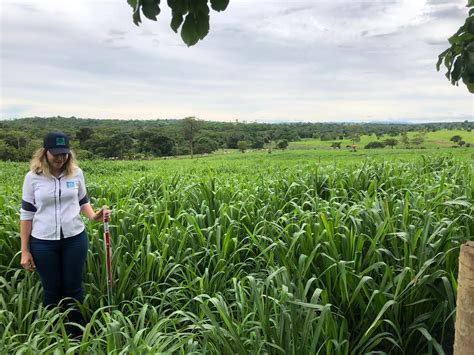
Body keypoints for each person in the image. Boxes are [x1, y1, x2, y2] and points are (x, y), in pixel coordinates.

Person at [19, 131, 109, 334]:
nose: (60, 158)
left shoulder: (76, 173)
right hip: (43, 242)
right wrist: (25, 250)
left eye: (64, 154)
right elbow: (26, 213)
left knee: (73, 288)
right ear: (45, 153)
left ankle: (76, 333)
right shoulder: (32, 178)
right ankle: (52, 334)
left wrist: (95, 216)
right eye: (55, 154)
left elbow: (82, 201)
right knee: (52, 289)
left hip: (74, 239)